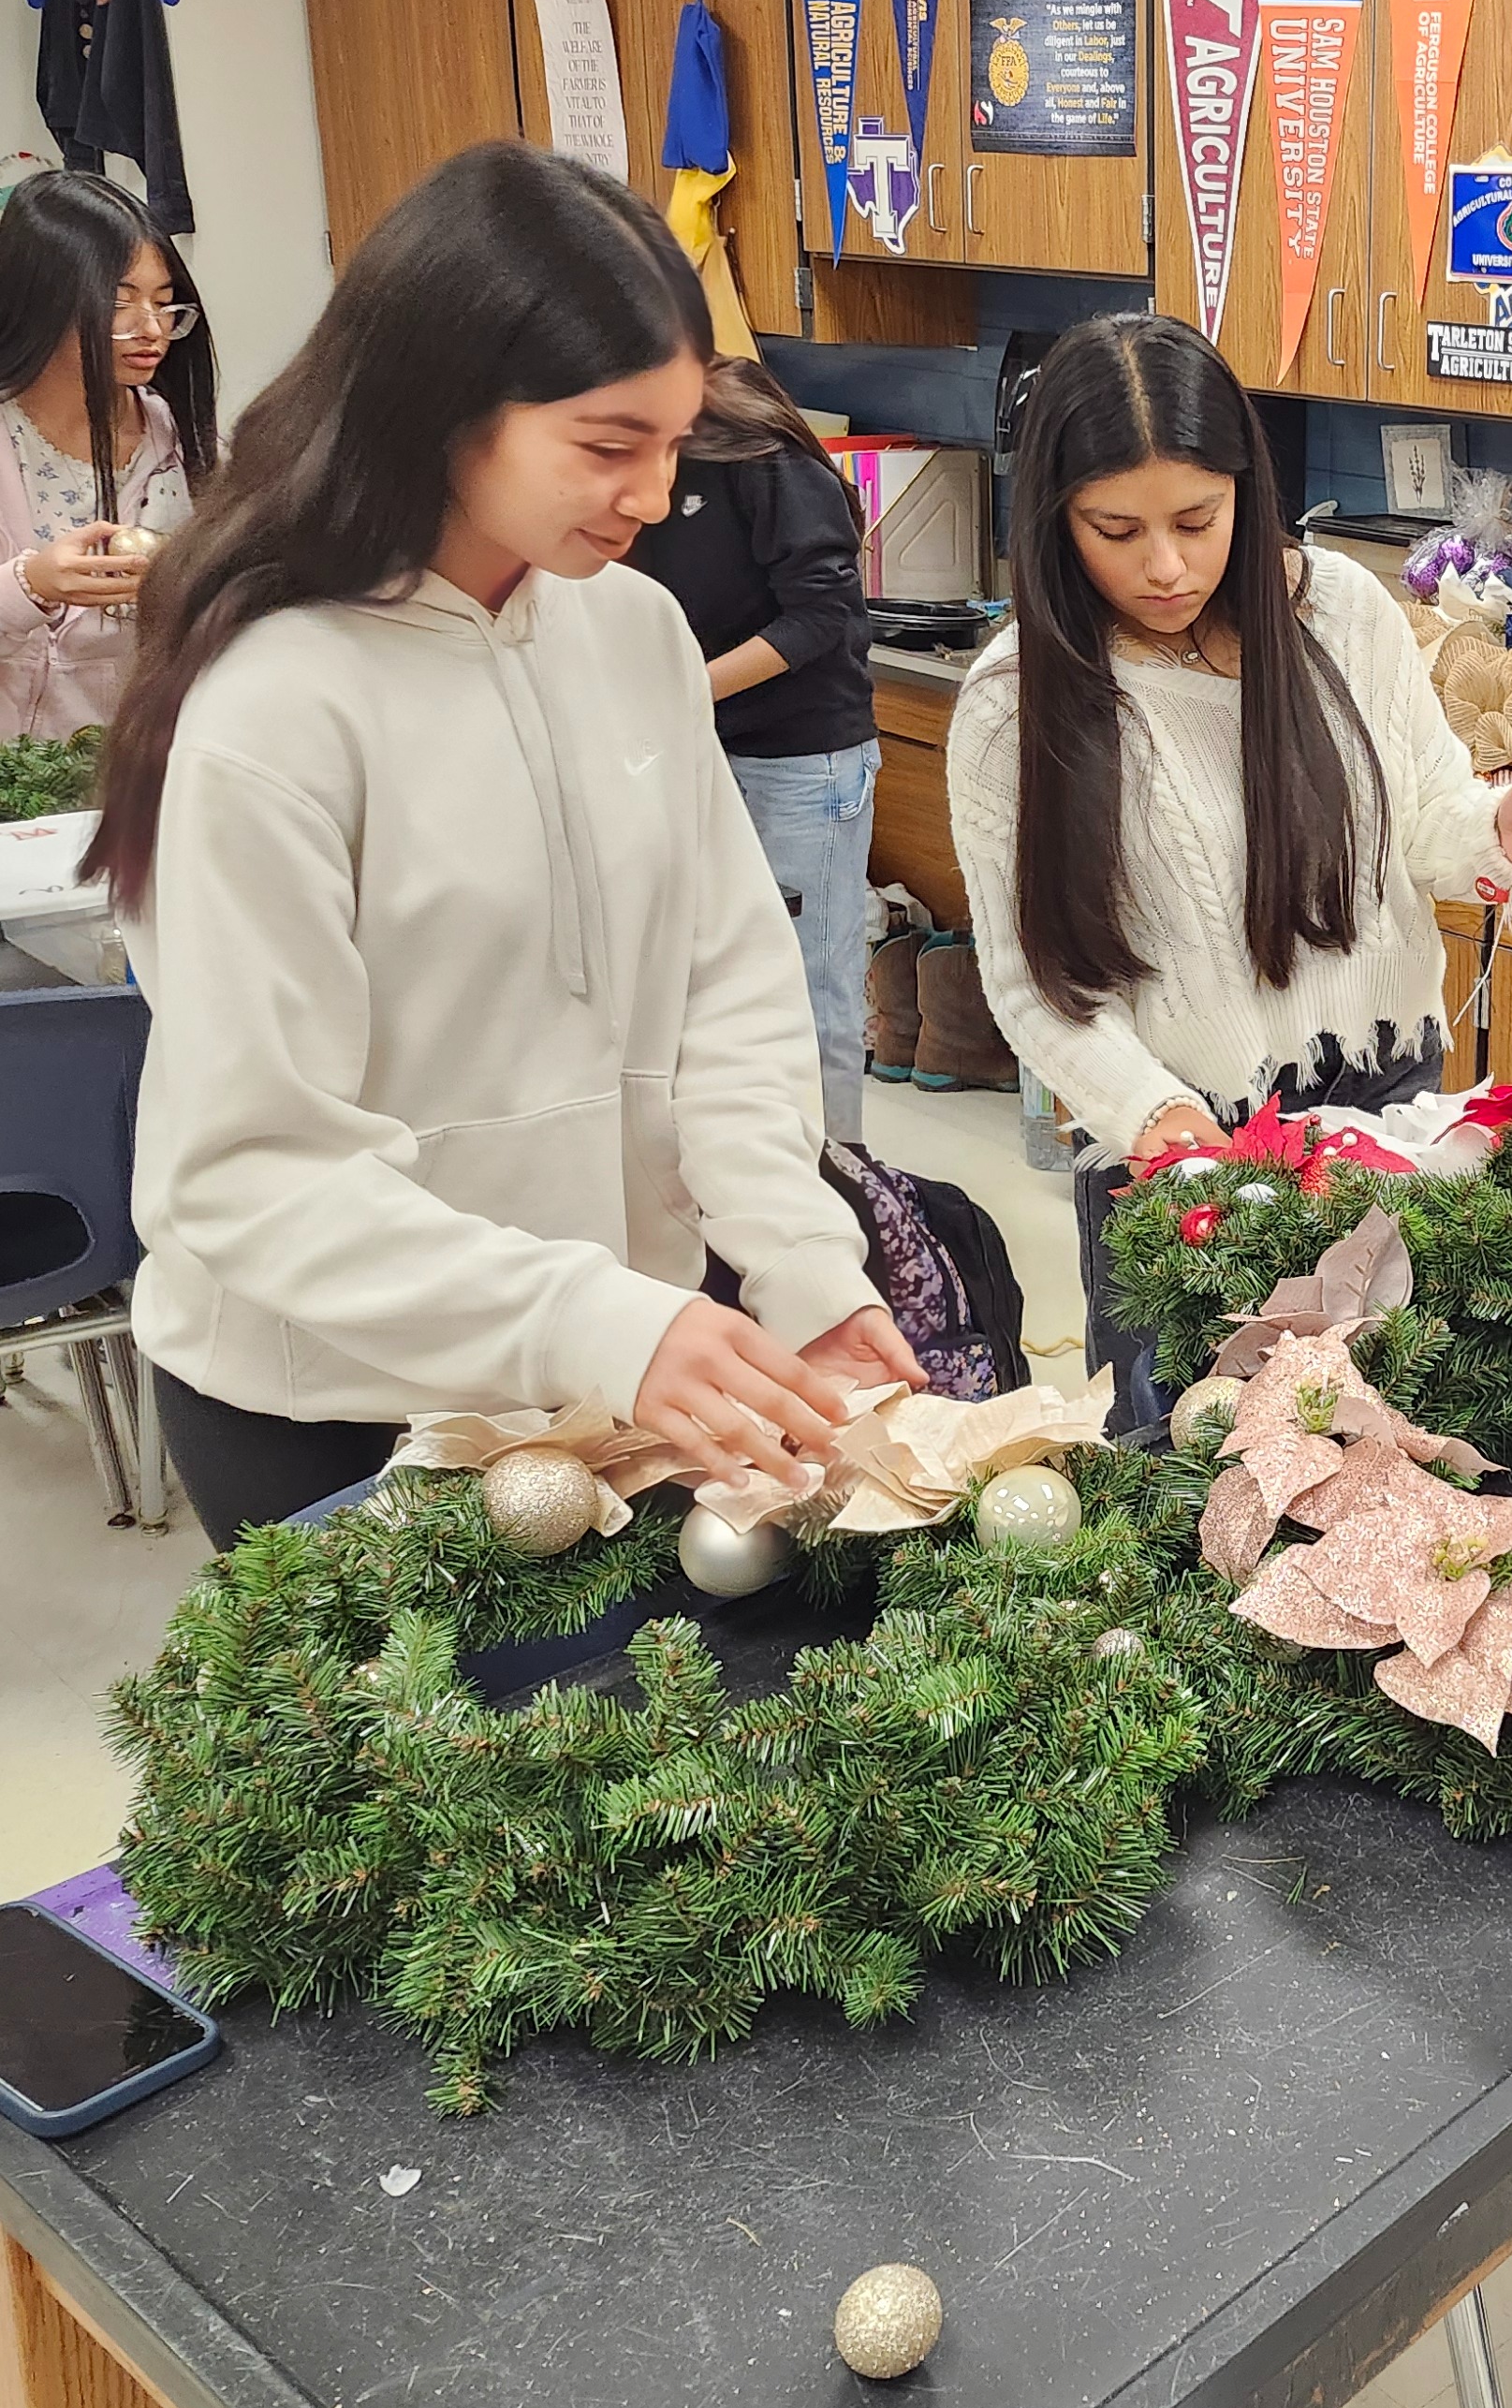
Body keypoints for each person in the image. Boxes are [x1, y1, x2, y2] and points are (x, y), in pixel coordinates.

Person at [82, 140, 920, 1549]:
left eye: (673, 446)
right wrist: (598, 1316)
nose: (653, 497)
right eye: (607, 447)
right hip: (332, 1408)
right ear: (442, 408)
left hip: (607, 1376)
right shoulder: (273, 699)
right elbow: (246, 1169)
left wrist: (801, 1267)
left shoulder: (635, 632)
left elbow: (726, 991)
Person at [947, 313, 1512, 1422]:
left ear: (1248, 488)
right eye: (1116, 529)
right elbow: (1033, 985)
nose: (1165, 567)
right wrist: (1150, 1115)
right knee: (1188, 1455)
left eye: (1199, 520)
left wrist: (1505, 833)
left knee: (1384, 1444)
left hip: (1378, 1109)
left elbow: (1426, 814)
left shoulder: (1337, 610)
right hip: (1177, 1149)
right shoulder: (1017, 705)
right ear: (1054, 521)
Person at [629, 354, 880, 1140]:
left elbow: (820, 618)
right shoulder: (630, 464)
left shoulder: (753, 452)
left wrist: (678, 689)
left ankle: (845, 1182)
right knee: (706, 985)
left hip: (804, 763)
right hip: (698, 750)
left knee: (810, 988)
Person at [0, 168, 216, 738]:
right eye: (121, 303)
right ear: (41, 300)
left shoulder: (185, 445)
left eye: (166, 305)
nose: (153, 330)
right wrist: (31, 586)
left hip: (142, 773)